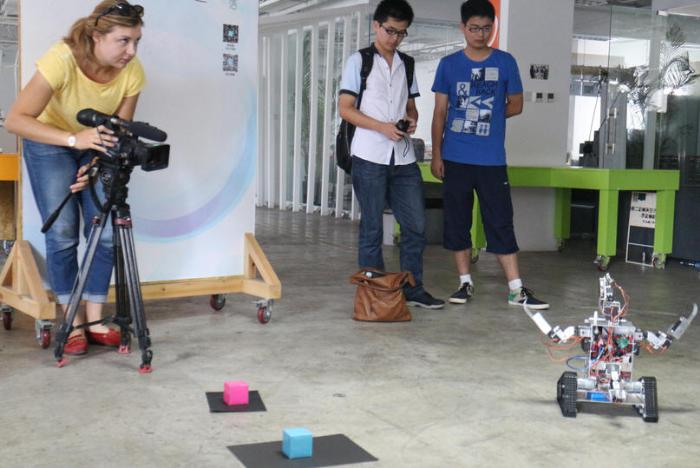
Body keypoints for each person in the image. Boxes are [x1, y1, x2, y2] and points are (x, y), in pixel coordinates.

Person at [5, 1, 146, 354]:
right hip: (50, 142)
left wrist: (95, 162)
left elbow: (118, 131)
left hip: (95, 145)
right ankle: (72, 321)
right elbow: (16, 120)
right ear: (97, 36)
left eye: (136, 41)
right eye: (124, 41)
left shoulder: (132, 72)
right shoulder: (61, 59)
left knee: (107, 233)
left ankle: (95, 319)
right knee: (63, 233)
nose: (131, 51)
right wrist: (73, 140)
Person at [430, 0, 549, 309]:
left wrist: (487, 116)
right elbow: (440, 113)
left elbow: (516, 104)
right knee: (457, 221)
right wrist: (437, 155)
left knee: (500, 221)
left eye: (486, 28)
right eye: (474, 28)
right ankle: (464, 283)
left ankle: (516, 289)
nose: (480, 34)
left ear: (493, 27)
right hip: (455, 157)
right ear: (463, 28)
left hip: (491, 160)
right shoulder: (449, 65)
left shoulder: (505, 62)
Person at [338, 0, 444, 309]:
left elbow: (411, 106)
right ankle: (375, 295)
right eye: (390, 31)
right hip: (369, 156)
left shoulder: (407, 64)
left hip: (404, 158)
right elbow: (345, 109)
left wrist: (411, 120)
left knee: (416, 226)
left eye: (401, 33)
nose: (395, 38)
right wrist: (381, 127)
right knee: (372, 228)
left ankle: (412, 289)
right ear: (376, 25)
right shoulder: (359, 61)